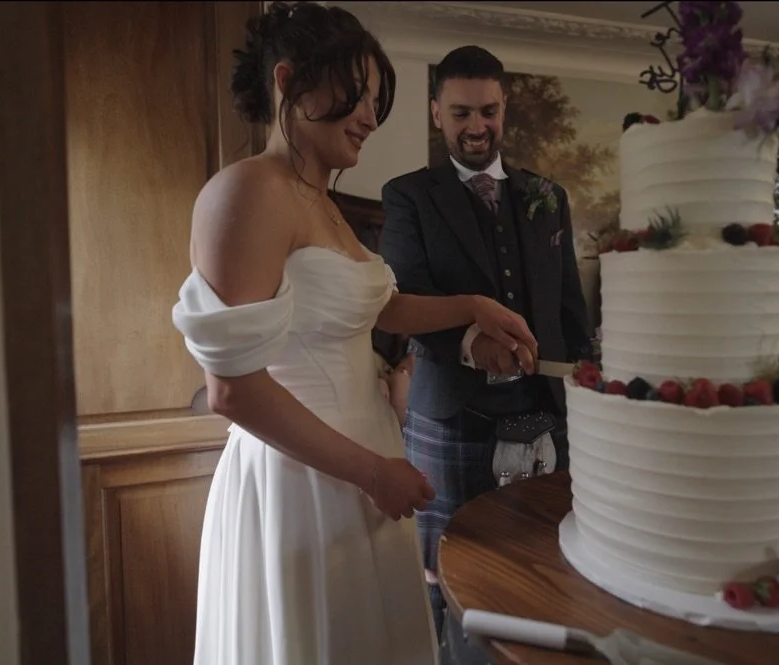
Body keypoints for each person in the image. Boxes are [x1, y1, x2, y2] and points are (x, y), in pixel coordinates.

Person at [170, 5, 538, 664]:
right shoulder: (247, 193)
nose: (371, 115)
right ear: (289, 81)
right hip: (300, 477)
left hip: (367, 466)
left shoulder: (322, 203)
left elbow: (377, 308)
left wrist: (473, 304)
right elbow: (231, 391)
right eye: (358, 95)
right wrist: (372, 471)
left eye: (375, 99)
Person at [379, 45, 592, 641]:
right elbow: (403, 299)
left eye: (489, 111)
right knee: (449, 578)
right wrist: (472, 342)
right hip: (453, 417)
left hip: (548, 413)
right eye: (461, 113)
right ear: (435, 113)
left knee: (545, 565)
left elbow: (570, 305)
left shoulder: (548, 195)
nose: (477, 127)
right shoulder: (408, 196)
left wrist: (591, 381)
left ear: (506, 109)